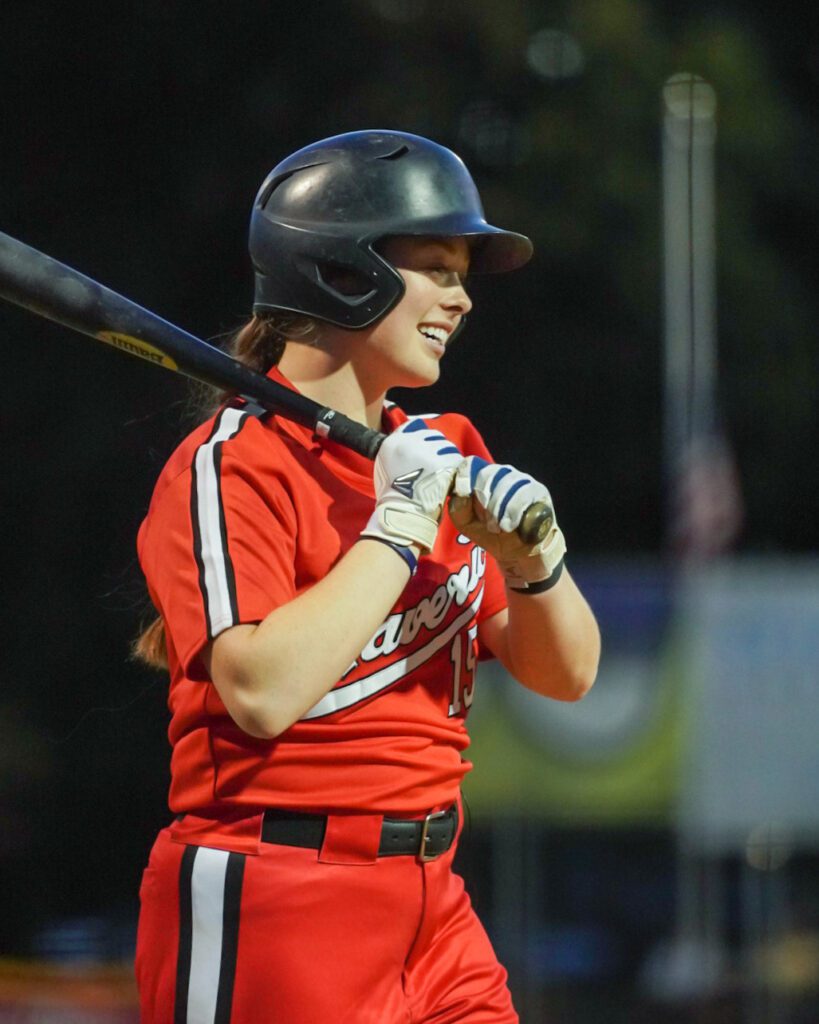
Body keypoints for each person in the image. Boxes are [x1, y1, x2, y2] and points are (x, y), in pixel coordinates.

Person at [133, 129, 600, 1024]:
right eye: (438, 267)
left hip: (432, 900)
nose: (460, 300)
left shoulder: (441, 452)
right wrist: (397, 527)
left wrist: (536, 564)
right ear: (344, 273)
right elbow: (261, 693)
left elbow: (565, 674)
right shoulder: (233, 465)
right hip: (276, 894)